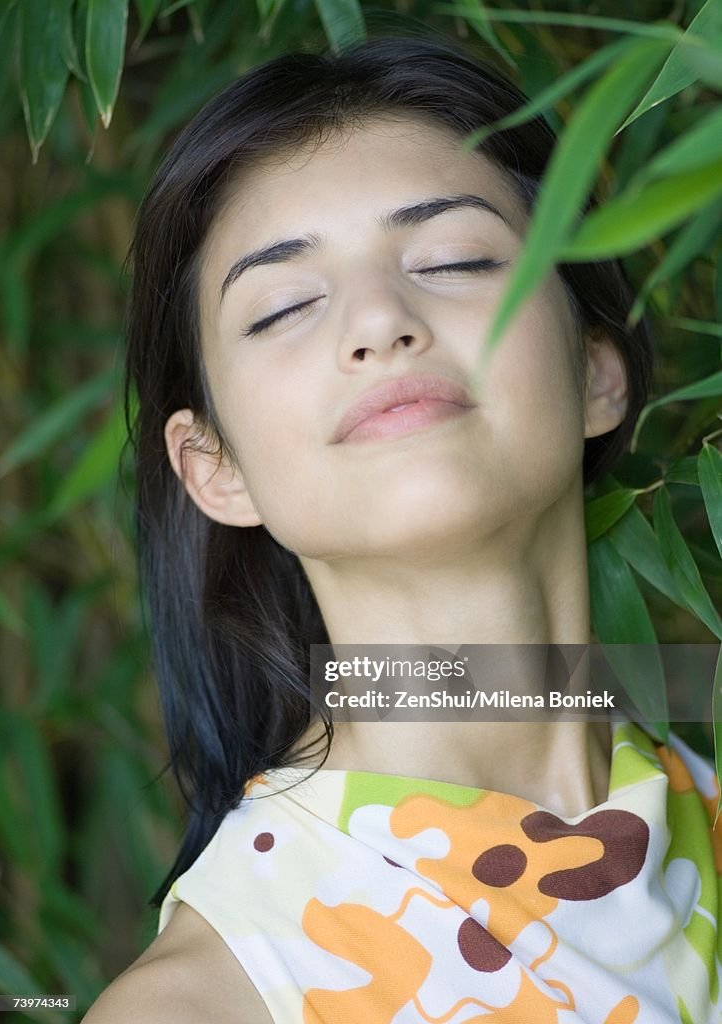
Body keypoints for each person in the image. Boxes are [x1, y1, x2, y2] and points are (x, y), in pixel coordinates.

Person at [82, 33, 722, 1024]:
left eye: (453, 257)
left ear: (596, 367)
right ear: (217, 467)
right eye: (286, 304)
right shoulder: (208, 1002)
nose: (378, 322)